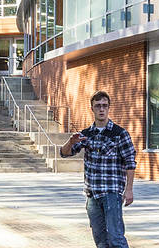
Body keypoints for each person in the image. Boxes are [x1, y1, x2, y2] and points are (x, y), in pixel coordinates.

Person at [59, 89, 136, 248]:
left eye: (104, 106)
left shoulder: (120, 133)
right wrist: (71, 142)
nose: (101, 109)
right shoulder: (86, 134)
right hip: (92, 194)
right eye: (98, 106)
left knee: (116, 239)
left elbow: (130, 162)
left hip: (111, 193)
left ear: (109, 108)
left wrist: (129, 190)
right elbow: (64, 154)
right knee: (100, 241)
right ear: (92, 108)